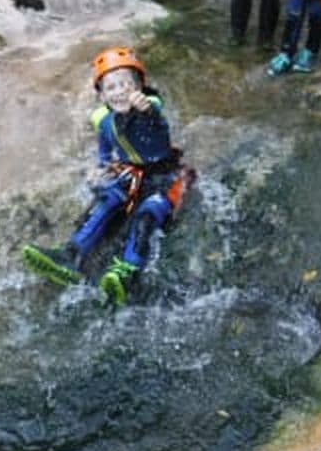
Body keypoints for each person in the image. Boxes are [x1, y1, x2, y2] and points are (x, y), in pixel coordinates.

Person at [22, 46, 194, 306]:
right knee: (106, 202)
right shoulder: (103, 119)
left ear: (140, 87)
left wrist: (145, 108)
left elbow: (153, 118)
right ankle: (71, 256)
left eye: (127, 84)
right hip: (130, 174)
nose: (120, 91)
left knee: (147, 214)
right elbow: (105, 149)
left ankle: (128, 271)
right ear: (102, 95)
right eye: (111, 87)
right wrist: (101, 168)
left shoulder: (149, 108)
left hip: (163, 176)